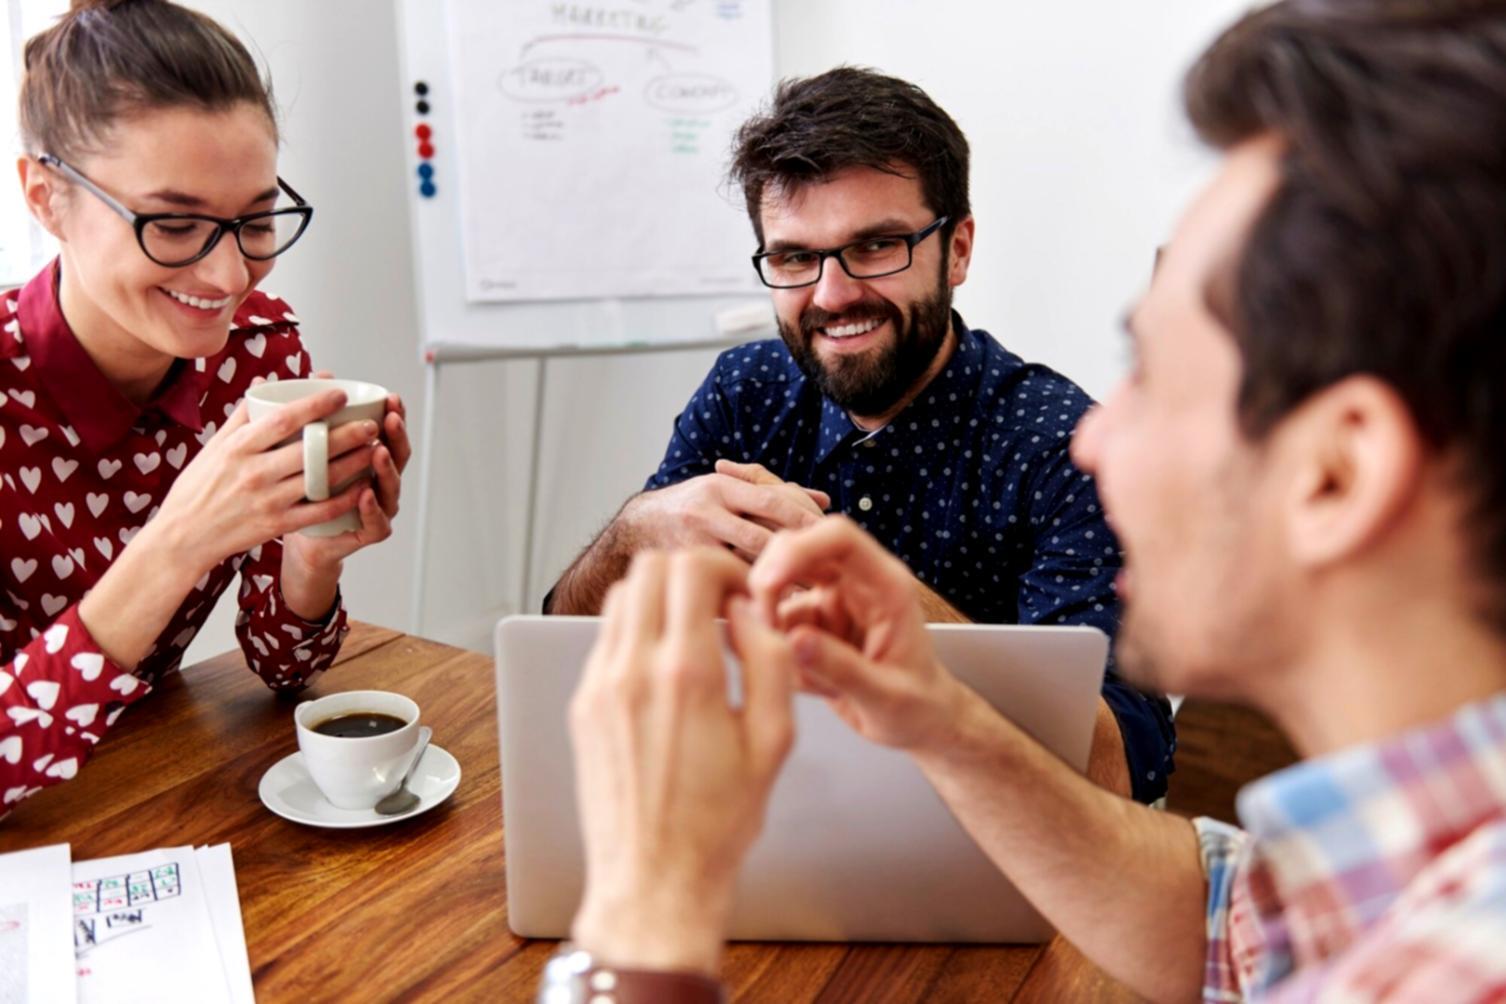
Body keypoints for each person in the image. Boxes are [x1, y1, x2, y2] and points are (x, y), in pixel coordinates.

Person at [543, 1, 1506, 1000]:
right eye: (795, 257)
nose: (1099, 433)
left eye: (1158, 373)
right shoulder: (1395, 859)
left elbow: (1129, 762)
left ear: (1338, 473)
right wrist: (942, 711)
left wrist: (645, 918)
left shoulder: (1454, 968)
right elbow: (1222, 924)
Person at [545, 66, 1174, 804]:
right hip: (759, 804)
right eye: (794, 257)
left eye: (876, 246)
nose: (832, 294)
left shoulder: (1063, 444)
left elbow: (1124, 772)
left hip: (981, 841)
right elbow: (567, 648)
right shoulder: (744, 390)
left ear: (958, 248)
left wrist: (885, 603)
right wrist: (632, 535)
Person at [0, 0, 409, 818]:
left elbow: (282, 668)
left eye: (256, 220)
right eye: (174, 223)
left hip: (159, 791)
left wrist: (312, 554)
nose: (229, 279)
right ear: (46, 198)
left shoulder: (257, 351)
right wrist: (180, 541)